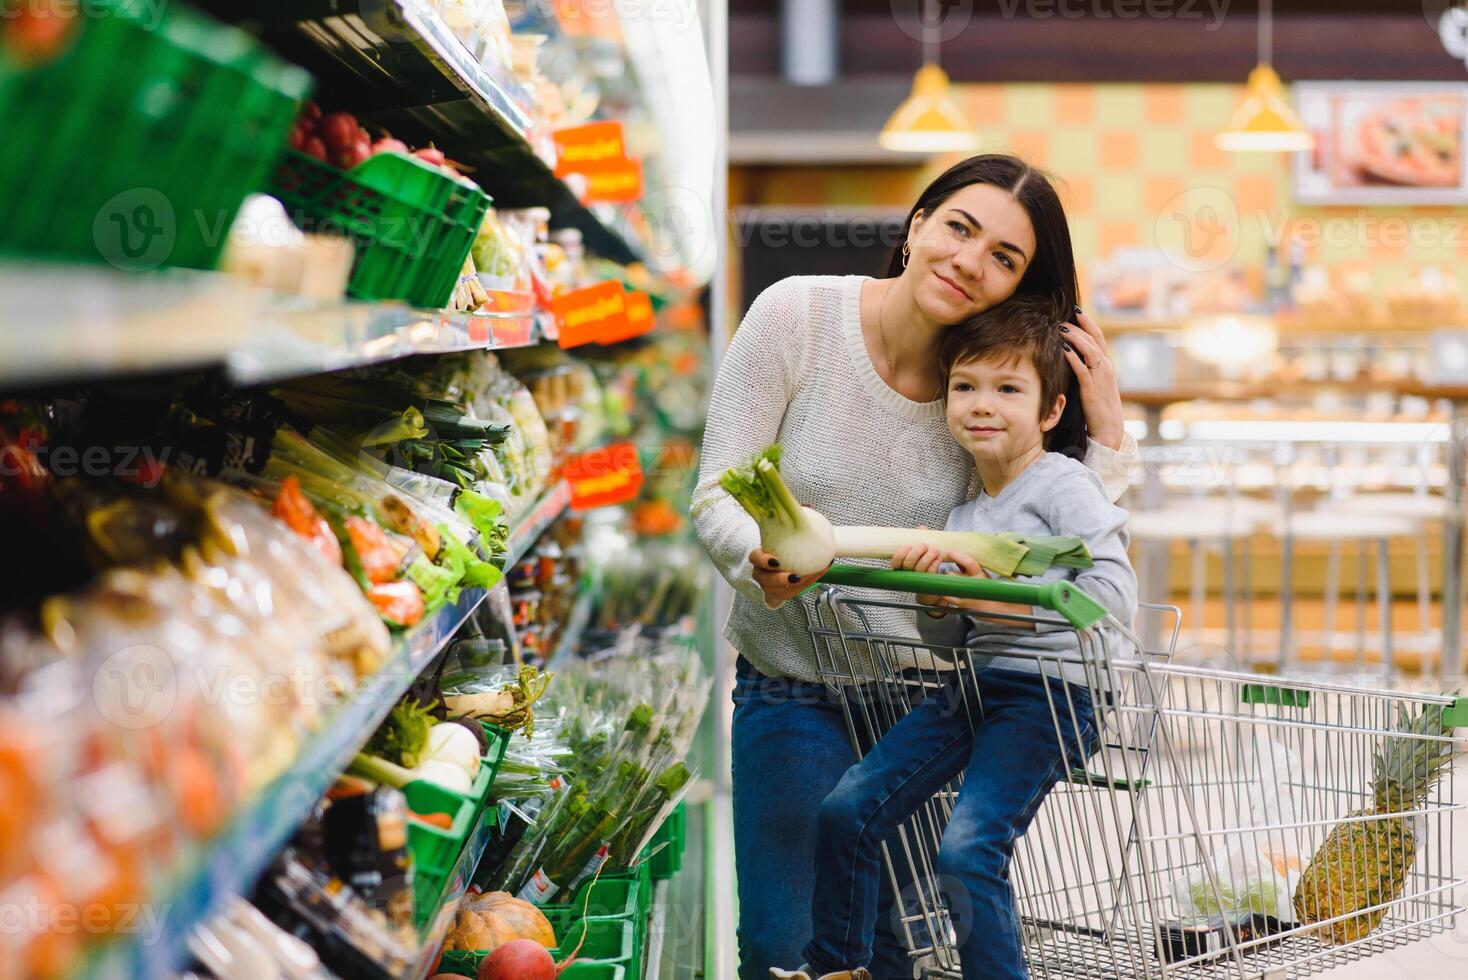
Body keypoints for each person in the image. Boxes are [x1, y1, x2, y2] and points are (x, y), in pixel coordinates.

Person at [690, 154, 1138, 980]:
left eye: (1005, 257)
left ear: (1019, 287)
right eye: (960, 228)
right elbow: (717, 492)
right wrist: (758, 564)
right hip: (793, 685)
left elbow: (1049, 536)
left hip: (930, 701)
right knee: (788, 952)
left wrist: (1104, 432)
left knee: (901, 956)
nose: (971, 261)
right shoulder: (796, 317)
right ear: (916, 226)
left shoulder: (989, 387)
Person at [770, 295, 1138, 980]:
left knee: (968, 850)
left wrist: (986, 600)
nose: (982, 403)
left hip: (1054, 696)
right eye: (965, 386)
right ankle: (838, 969)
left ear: (1050, 411)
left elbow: (1111, 602)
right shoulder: (965, 512)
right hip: (974, 686)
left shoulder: (1066, 485)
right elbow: (949, 637)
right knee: (848, 808)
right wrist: (937, 601)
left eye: (1007, 388)